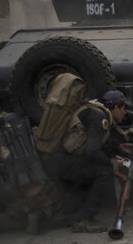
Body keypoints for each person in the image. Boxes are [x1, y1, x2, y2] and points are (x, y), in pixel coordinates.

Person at [39, 74, 115, 234]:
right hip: (59, 163)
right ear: (117, 108)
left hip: (48, 159)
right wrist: (111, 163)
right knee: (104, 171)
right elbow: (92, 150)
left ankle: (64, 215)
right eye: (124, 109)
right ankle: (84, 219)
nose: (124, 114)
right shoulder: (99, 117)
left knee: (87, 174)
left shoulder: (85, 109)